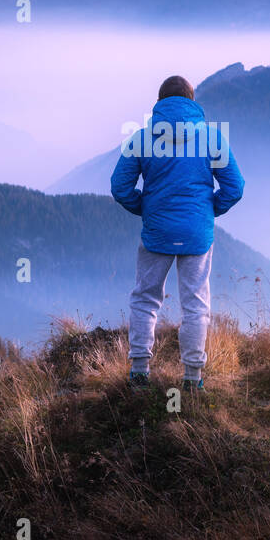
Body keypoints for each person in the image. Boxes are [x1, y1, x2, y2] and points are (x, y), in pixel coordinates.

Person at [110, 75, 244, 393]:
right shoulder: (212, 139)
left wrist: (145, 208)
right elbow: (235, 187)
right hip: (197, 233)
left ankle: (140, 370)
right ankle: (192, 377)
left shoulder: (142, 138)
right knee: (195, 304)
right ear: (191, 101)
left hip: (156, 230)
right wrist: (209, 211)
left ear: (160, 102)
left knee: (145, 298)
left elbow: (119, 187)